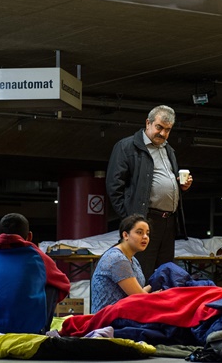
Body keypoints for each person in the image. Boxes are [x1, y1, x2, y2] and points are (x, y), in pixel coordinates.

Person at [106, 104, 193, 281]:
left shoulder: (169, 150)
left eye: (167, 130)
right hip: (144, 221)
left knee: (165, 274)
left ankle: (161, 309)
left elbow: (165, 183)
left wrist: (179, 187)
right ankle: (140, 309)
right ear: (148, 123)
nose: (162, 133)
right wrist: (131, 220)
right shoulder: (126, 146)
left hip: (168, 221)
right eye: (159, 127)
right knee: (141, 273)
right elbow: (114, 186)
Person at [0, 213, 71, 334]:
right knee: (52, 286)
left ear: (0, 236)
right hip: (27, 328)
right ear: (29, 236)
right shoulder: (39, 257)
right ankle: (42, 329)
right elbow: (64, 285)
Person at [90, 214, 152, 313]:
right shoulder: (117, 259)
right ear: (125, 235)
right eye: (139, 232)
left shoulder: (133, 260)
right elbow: (138, 296)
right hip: (107, 320)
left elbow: (137, 293)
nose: (145, 237)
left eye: (147, 233)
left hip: (124, 314)